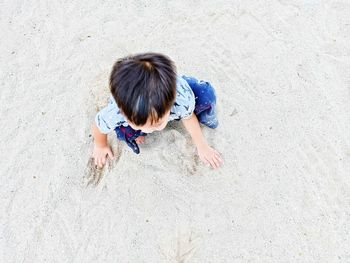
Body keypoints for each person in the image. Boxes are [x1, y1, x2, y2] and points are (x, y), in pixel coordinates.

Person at [92, 52, 223, 169]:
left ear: (172, 103)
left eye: (157, 123)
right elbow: (98, 126)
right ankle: (136, 130)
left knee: (206, 94)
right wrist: (100, 145)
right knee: (125, 132)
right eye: (139, 125)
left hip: (171, 94)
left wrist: (202, 146)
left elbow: (189, 118)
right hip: (133, 106)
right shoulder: (115, 113)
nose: (149, 130)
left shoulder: (182, 98)